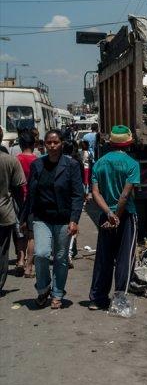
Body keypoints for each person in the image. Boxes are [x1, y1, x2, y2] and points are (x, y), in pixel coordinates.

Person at [19, 130, 84, 309]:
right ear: (43, 145)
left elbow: (78, 195)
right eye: (49, 143)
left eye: (56, 142)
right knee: (41, 254)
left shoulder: (71, 165)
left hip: (63, 219)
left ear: (62, 143)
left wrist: (74, 219)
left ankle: (57, 293)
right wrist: (24, 218)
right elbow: (30, 194)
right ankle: (43, 288)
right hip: (42, 218)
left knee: (61, 258)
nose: (52, 146)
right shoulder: (37, 165)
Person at [89, 125, 140, 310]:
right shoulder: (132, 164)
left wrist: (109, 214)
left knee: (104, 258)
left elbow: (95, 193)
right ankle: (119, 301)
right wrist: (117, 216)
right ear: (128, 143)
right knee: (125, 259)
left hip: (106, 215)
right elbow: (125, 196)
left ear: (110, 143)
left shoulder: (99, 163)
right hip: (126, 216)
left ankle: (97, 299)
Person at [0, 144, 25, 293]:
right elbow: (18, 190)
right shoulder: (11, 161)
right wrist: (22, 214)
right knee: (2, 250)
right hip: (4, 212)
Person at [15, 131, 38, 278]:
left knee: (19, 232)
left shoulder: (15, 159)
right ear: (34, 145)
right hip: (33, 200)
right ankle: (29, 267)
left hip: (18, 199)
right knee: (31, 235)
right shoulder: (38, 160)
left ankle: (20, 261)